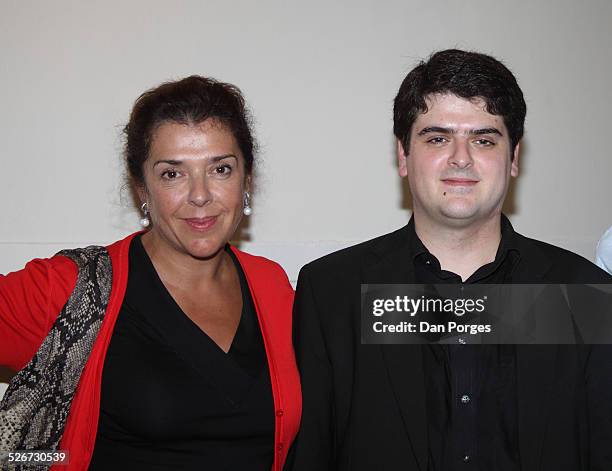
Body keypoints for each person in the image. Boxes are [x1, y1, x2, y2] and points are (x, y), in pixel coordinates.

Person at [288, 50, 612, 470]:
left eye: (484, 139)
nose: (461, 158)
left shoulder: (583, 294)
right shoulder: (333, 292)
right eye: (437, 138)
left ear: (514, 158)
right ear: (403, 156)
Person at [0, 76, 301, 471]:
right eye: (172, 173)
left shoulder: (273, 286)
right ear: (142, 188)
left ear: (247, 180)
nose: (199, 195)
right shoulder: (73, 288)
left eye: (221, 169)